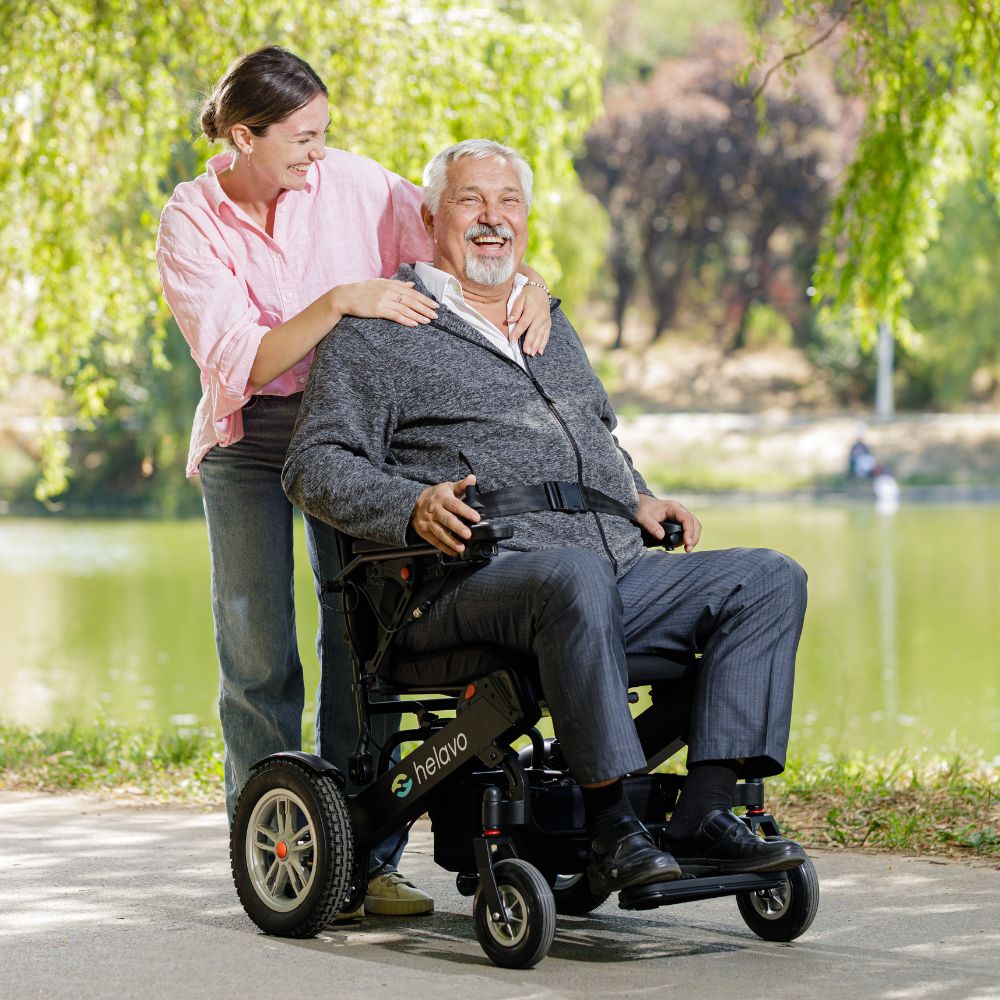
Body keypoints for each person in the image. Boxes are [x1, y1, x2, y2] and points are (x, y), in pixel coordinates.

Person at [283, 139, 810, 892]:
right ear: (430, 217)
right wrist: (410, 506)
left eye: (509, 202)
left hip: (606, 572)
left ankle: (705, 813)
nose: (492, 217)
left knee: (768, 578)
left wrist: (638, 496)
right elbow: (313, 464)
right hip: (464, 583)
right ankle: (613, 827)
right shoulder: (378, 331)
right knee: (572, 575)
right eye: (470, 199)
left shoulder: (548, 323)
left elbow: (597, 438)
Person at [155, 50, 553, 917]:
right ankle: (280, 856)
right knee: (258, 657)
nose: (318, 152)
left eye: (323, 133)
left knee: (364, 645)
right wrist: (339, 299)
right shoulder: (190, 219)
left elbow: (460, 235)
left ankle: (365, 856)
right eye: (302, 138)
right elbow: (242, 362)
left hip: (357, 434)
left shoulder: (359, 185)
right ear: (243, 137)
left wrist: (531, 284)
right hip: (249, 440)